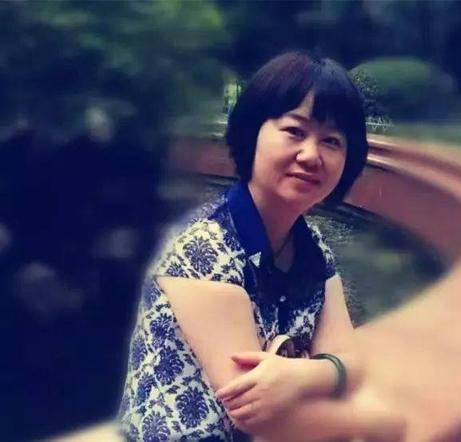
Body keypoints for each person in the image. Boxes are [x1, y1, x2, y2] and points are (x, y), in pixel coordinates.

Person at [118, 51, 406, 441]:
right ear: (252, 132)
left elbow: (351, 364)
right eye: (294, 131)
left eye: (332, 141)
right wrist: (379, 423)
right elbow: (254, 415)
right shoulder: (204, 247)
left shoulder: (311, 247)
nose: (311, 155)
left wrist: (301, 376)